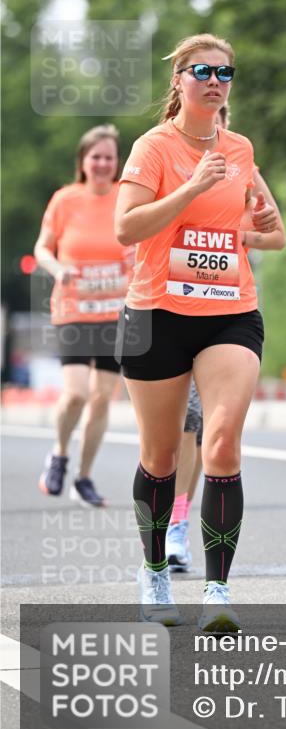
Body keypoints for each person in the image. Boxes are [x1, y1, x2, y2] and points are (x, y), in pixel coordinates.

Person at [114, 33, 278, 631]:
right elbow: (127, 228)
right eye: (203, 70)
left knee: (222, 441)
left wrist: (257, 225)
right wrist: (193, 188)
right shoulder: (153, 147)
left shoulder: (240, 147)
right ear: (179, 79)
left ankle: (217, 589)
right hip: (157, 314)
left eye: (225, 73)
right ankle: (153, 569)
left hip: (230, 311)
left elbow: (263, 226)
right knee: (160, 456)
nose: (215, 80)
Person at [166, 103, 286, 574]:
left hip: (227, 314)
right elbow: (139, 226)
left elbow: (276, 236)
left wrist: (237, 235)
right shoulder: (168, 156)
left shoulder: (244, 165)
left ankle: (179, 528)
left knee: (205, 430)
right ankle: (166, 528)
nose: (215, 128)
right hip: (172, 309)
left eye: (222, 120)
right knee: (173, 432)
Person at [34, 125, 132, 507]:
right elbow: (42, 248)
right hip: (74, 307)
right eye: (96, 157)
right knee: (75, 394)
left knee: (101, 400)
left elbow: (142, 240)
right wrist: (59, 270)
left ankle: (84, 477)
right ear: (83, 162)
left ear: (117, 162)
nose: (103, 164)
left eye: (109, 157)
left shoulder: (127, 196)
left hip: (115, 311)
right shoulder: (65, 199)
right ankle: (59, 454)